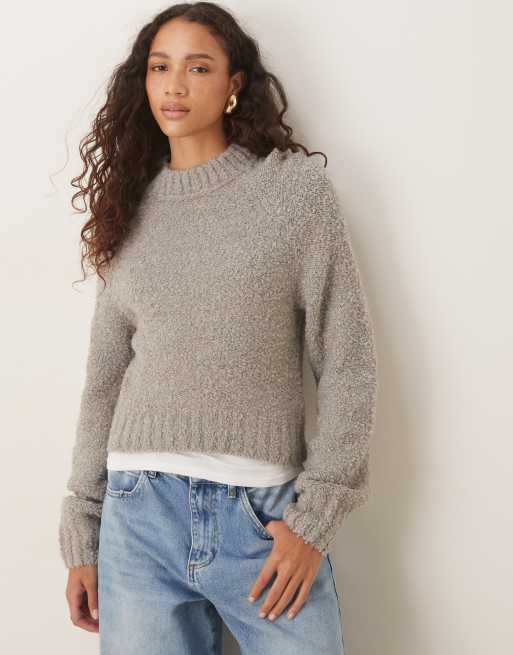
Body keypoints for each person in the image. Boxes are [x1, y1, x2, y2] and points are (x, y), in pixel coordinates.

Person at [59, 3, 378, 653]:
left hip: (263, 520)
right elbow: (105, 378)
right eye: (160, 67)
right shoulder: (129, 206)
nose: (174, 85)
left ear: (234, 83)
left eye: (198, 67)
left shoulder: (292, 192)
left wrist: (314, 519)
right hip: (137, 516)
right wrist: (82, 527)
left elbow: (348, 360)